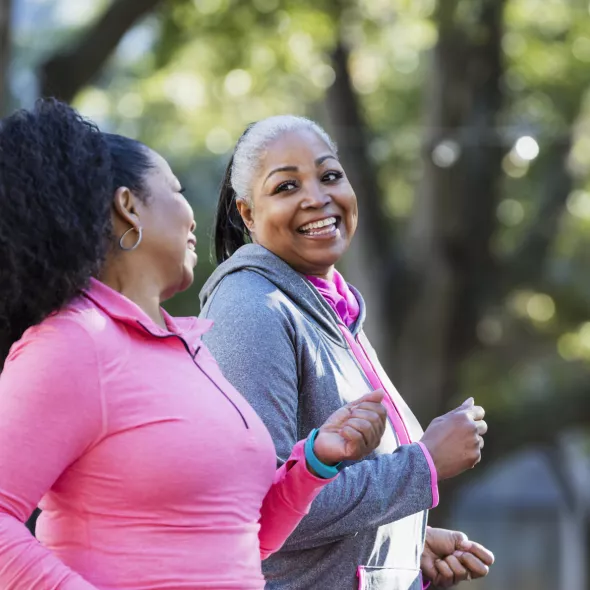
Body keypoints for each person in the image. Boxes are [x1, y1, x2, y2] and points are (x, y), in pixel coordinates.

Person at [0, 100, 389, 590]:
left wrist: (313, 463)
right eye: (176, 190)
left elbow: (239, 536)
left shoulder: (190, 350)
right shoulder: (73, 343)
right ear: (128, 207)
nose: (193, 216)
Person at [200, 115, 495, 590]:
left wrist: (402, 542)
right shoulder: (252, 308)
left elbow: (327, 500)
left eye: (329, 175)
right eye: (286, 186)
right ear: (248, 213)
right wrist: (422, 465)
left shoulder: (329, 305)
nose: (317, 197)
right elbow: (262, 507)